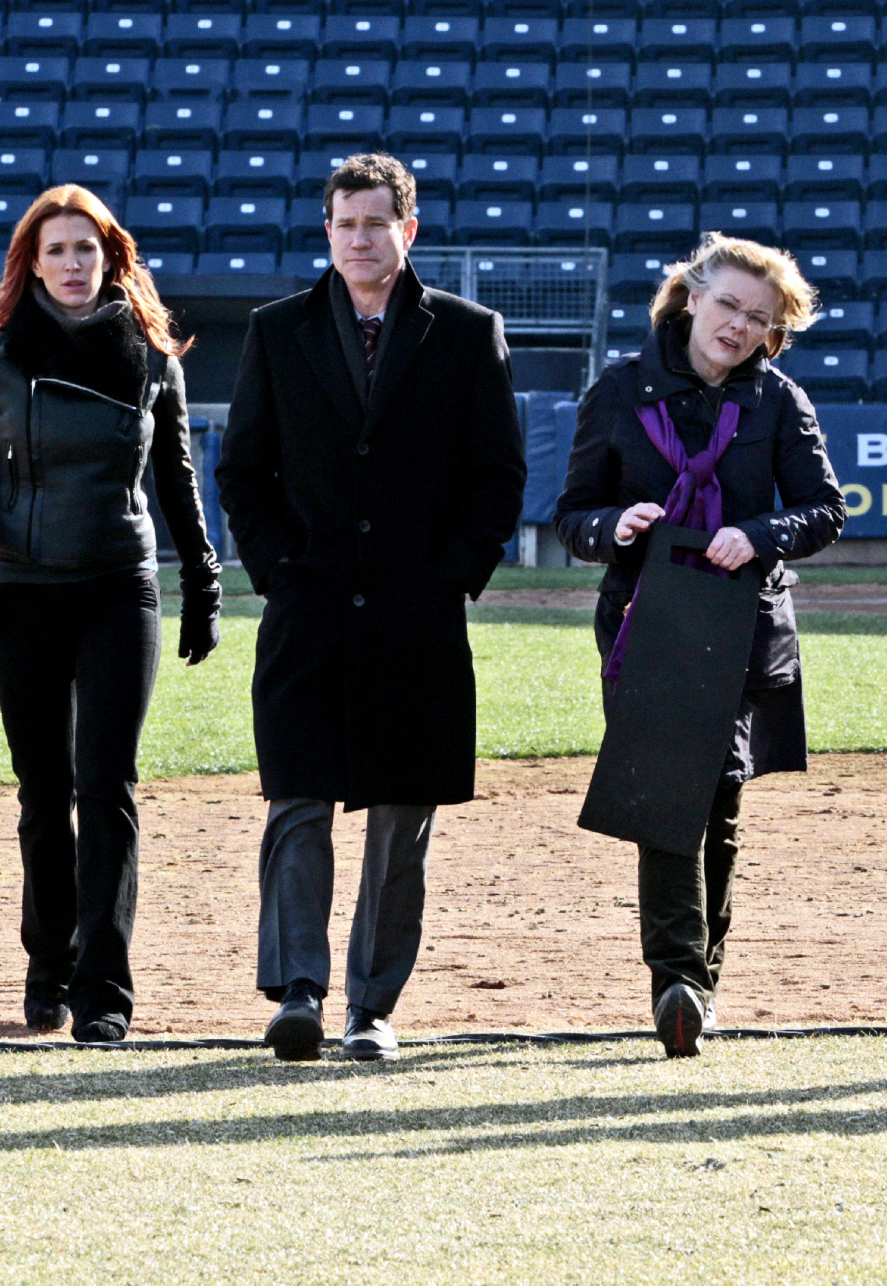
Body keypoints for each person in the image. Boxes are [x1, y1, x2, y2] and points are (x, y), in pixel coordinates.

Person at [217, 152, 525, 1062]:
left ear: (408, 230)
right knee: (297, 800)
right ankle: (299, 993)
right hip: (306, 610)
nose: (360, 237)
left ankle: (372, 1008)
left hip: (415, 614)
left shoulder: (469, 334)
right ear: (327, 231)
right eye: (345, 223)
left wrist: (450, 576)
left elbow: (498, 477)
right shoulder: (277, 331)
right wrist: (277, 567)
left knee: (400, 816)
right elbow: (242, 472)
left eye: (376, 222)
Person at [0, 184, 222, 1044]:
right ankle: (46, 965)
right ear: (32, 261)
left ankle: (104, 988)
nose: (70, 264)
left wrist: (203, 582)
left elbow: (177, 483)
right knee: (42, 792)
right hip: (22, 590)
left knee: (107, 789)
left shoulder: (151, 360)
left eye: (85, 249)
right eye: (54, 250)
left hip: (118, 590)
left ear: (111, 259)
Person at [556, 234, 845, 1059]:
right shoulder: (618, 392)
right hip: (645, 619)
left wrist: (757, 533)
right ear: (690, 296)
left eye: (759, 318)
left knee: (715, 792)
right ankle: (676, 981)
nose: (738, 326)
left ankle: (696, 983)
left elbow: (823, 510)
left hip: (743, 619)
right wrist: (614, 525)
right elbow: (572, 515)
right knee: (664, 790)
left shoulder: (780, 402)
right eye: (727, 305)